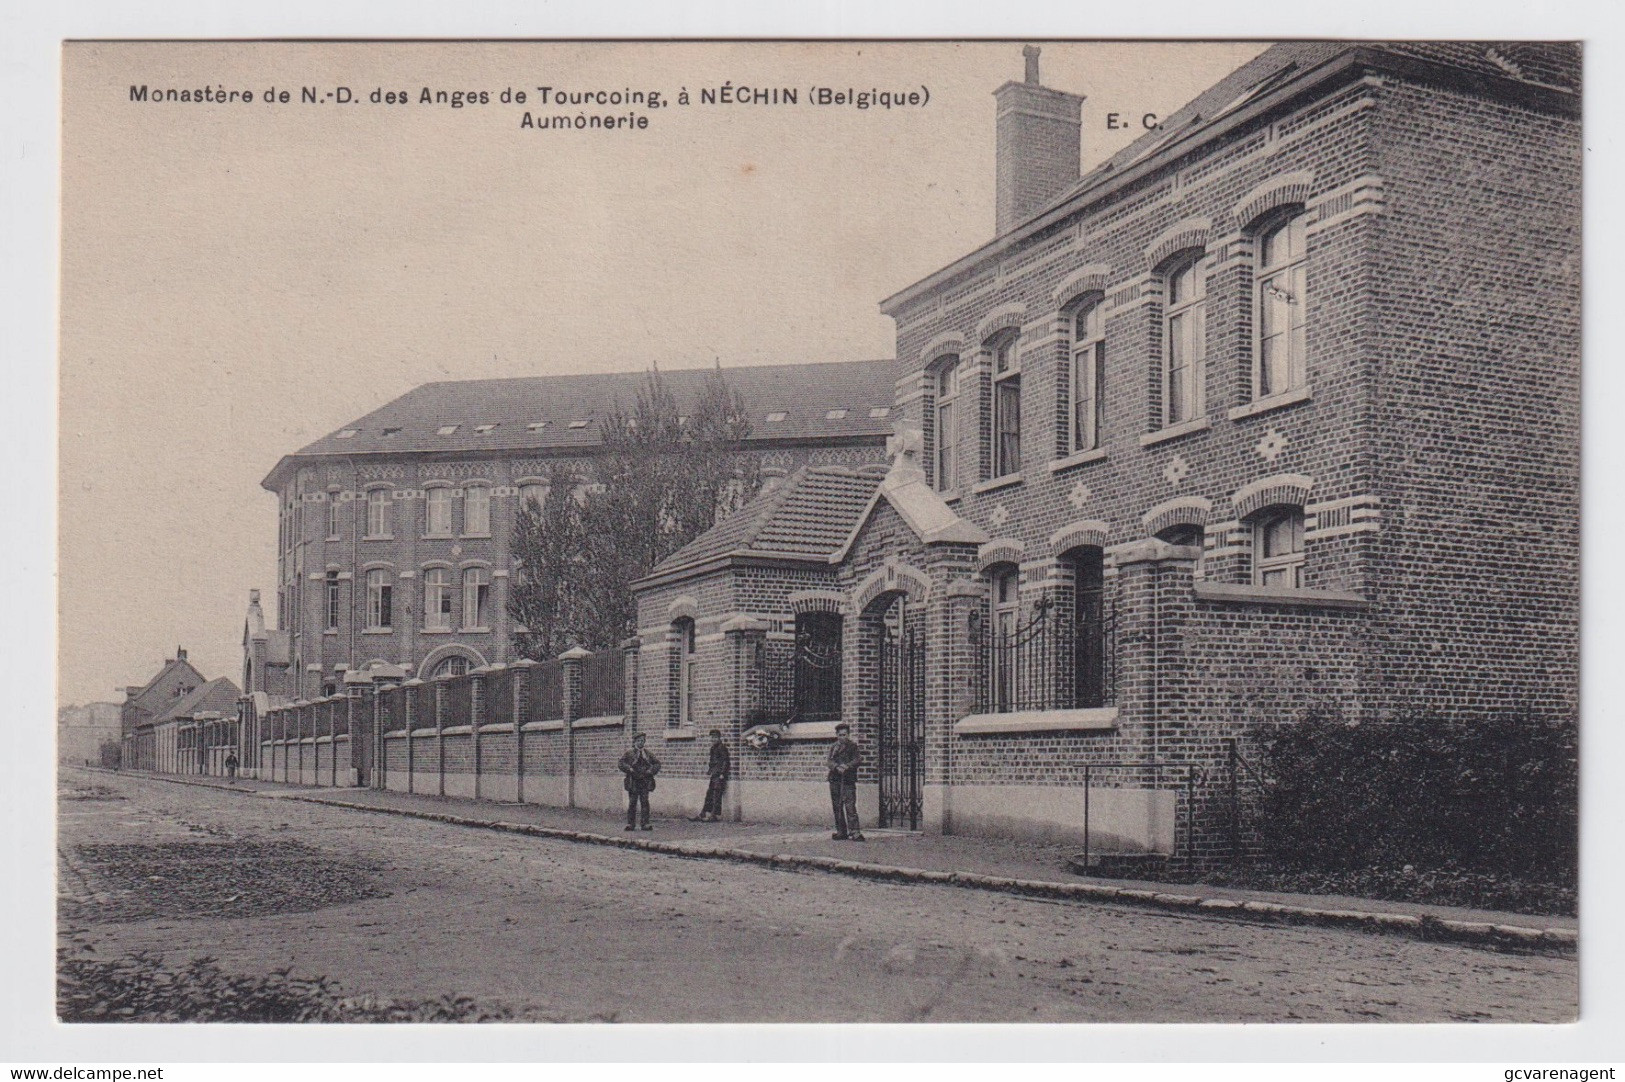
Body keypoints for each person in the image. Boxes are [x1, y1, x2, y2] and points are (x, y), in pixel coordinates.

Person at [826, 722, 864, 841]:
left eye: (845, 735)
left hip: (848, 779)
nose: (843, 737)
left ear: (848, 735)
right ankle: (841, 831)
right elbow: (829, 761)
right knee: (837, 806)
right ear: (837, 735)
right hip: (835, 779)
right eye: (840, 735)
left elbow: (858, 759)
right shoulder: (834, 747)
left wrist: (847, 766)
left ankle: (855, 832)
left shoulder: (852, 746)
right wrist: (836, 767)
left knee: (850, 806)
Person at [618, 733, 661, 831]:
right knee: (632, 802)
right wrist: (629, 768)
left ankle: (645, 823)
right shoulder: (629, 753)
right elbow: (621, 763)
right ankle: (631, 824)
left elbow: (657, 764)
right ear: (634, 742)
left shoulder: (648, 754)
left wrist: (651, 771)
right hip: (633, 781)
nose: (640, 742)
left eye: (642, 741)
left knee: (645, 802)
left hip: (644, 781)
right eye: (638, 741)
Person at [695, 729, 730, 822]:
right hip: (714, 774)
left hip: (719, 775)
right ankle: (703, 813)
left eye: (715, 737)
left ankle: (713, 815)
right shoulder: (713, 748)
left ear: (719, 738)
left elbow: (725, 761)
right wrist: (710, 770)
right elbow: (712, 761)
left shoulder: (722, 748)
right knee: (709, 794)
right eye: (712, 737)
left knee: (716, 794)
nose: (713, 739)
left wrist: (722, 773)